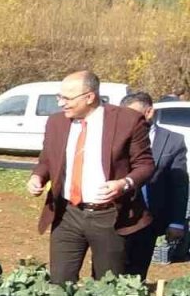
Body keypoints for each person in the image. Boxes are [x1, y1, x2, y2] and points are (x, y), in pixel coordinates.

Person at [27, 70, 155, 284]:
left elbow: (145, 164)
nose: (61, 103)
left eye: (67, 98)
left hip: (109, 216)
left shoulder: (128, 120)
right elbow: (47, 160)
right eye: (60, 97)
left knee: (107, 284)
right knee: (59, 283)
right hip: (67, 214)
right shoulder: (56, 122)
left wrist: (124, 183)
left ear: (89, 97)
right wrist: (38, 176)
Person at [120, 92, 188, 279]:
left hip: (150, 219)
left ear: (149, 112)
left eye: (132, 115)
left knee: (137, 274)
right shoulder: (117, 137)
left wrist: (176, 222)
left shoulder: (173, 141)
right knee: (111, 271)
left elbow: (179, 185)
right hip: (117, 218)